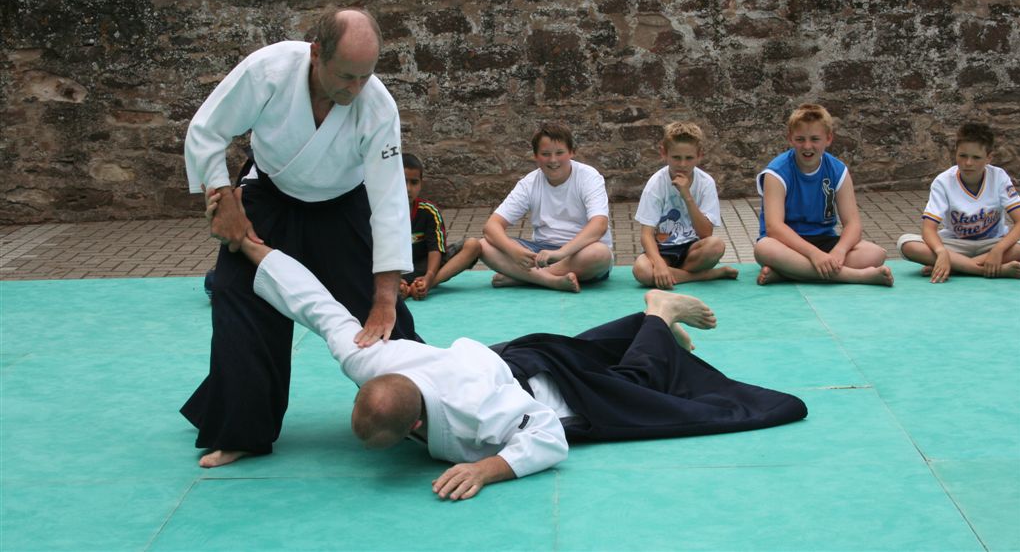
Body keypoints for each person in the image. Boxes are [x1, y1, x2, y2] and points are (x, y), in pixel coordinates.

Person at [226, 225, 807, 501]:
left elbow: (549, 437)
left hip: (541, 389)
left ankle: (656, 313)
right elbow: (318, 308)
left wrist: (487, 469)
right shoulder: (372, 360)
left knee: (640, 393)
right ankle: (642, 323)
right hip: (515, 352)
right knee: (584, 350)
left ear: (414, 426)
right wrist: (248, 244)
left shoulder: (481, 415)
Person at [181, 7, 422, 469]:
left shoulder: (377, 105)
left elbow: (390, 198)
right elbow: (207, 130)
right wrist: (222, 199)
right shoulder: (269, 69)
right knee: (240, 300)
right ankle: (242, 430)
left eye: (366, 77)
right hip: (269, 195)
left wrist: (386, 295)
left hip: (343, 206)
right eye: (346, 76)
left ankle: (423, 408)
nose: (356, 89)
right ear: (316, 54)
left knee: (382, 323)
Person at [754, 103, 893, 286]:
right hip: (787, 243)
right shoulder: (776, 173)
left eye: (815, 139)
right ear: (790, 138)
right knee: (764, 248)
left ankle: (788, 273)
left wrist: (840, 251)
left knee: (876, 253)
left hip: (825, 240)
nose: (807, 146)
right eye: (800, 139)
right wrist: (814, 255)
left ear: (828, 139)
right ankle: (855, 276)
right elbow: (774, 227)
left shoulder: (838, 170)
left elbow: (853, 224)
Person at [480, 122, 614, 292]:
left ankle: (523, 278)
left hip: (580, 251)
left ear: (572, 152)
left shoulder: (589, 177)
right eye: (545, 154)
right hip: (541, 252)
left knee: (600, 254)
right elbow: (491, 227)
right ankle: (551, 281)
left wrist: (562, 253)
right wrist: (514, 252)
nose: (553, 160)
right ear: (535, 156)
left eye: (559, 153)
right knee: (483, 245)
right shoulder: (529, 183)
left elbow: (599, 225)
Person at [897, 122, 1020, 282]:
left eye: (976, 157)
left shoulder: (999, 177)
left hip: (992, 244)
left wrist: (999, 250)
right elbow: (928, 228)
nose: (968, 163)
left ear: (989, 158)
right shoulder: (943, 181)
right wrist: (941, 252)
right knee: (906, 243)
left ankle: (955, 267)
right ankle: (986, 270)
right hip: (955, 245)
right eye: (963, 156)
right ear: (955, 153)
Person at [633, 122, 739, 288]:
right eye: (676, 157)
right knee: (641, 270)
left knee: (716, 245)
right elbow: (646, 235)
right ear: (664, 154)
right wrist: (660, 265)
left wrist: (687, 195)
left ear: (699, 156)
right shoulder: (656, 183)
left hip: (692, 248)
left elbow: (706, 233)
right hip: (664, 249)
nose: (682, 164)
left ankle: (673, 275)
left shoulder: (706, 183)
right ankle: (708, 275)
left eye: (689, 158)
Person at [400, 153, 482, 299]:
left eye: (414, 182)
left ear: (421, 183)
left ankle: (422, 287)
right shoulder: (379, 212)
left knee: (473, 245)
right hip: (394, 270)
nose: (408, 189)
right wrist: (393, 280)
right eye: (403, 181)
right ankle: (399, 288)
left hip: (426, 266)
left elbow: (435, 250)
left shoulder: (429, 211)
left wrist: (429, 278)